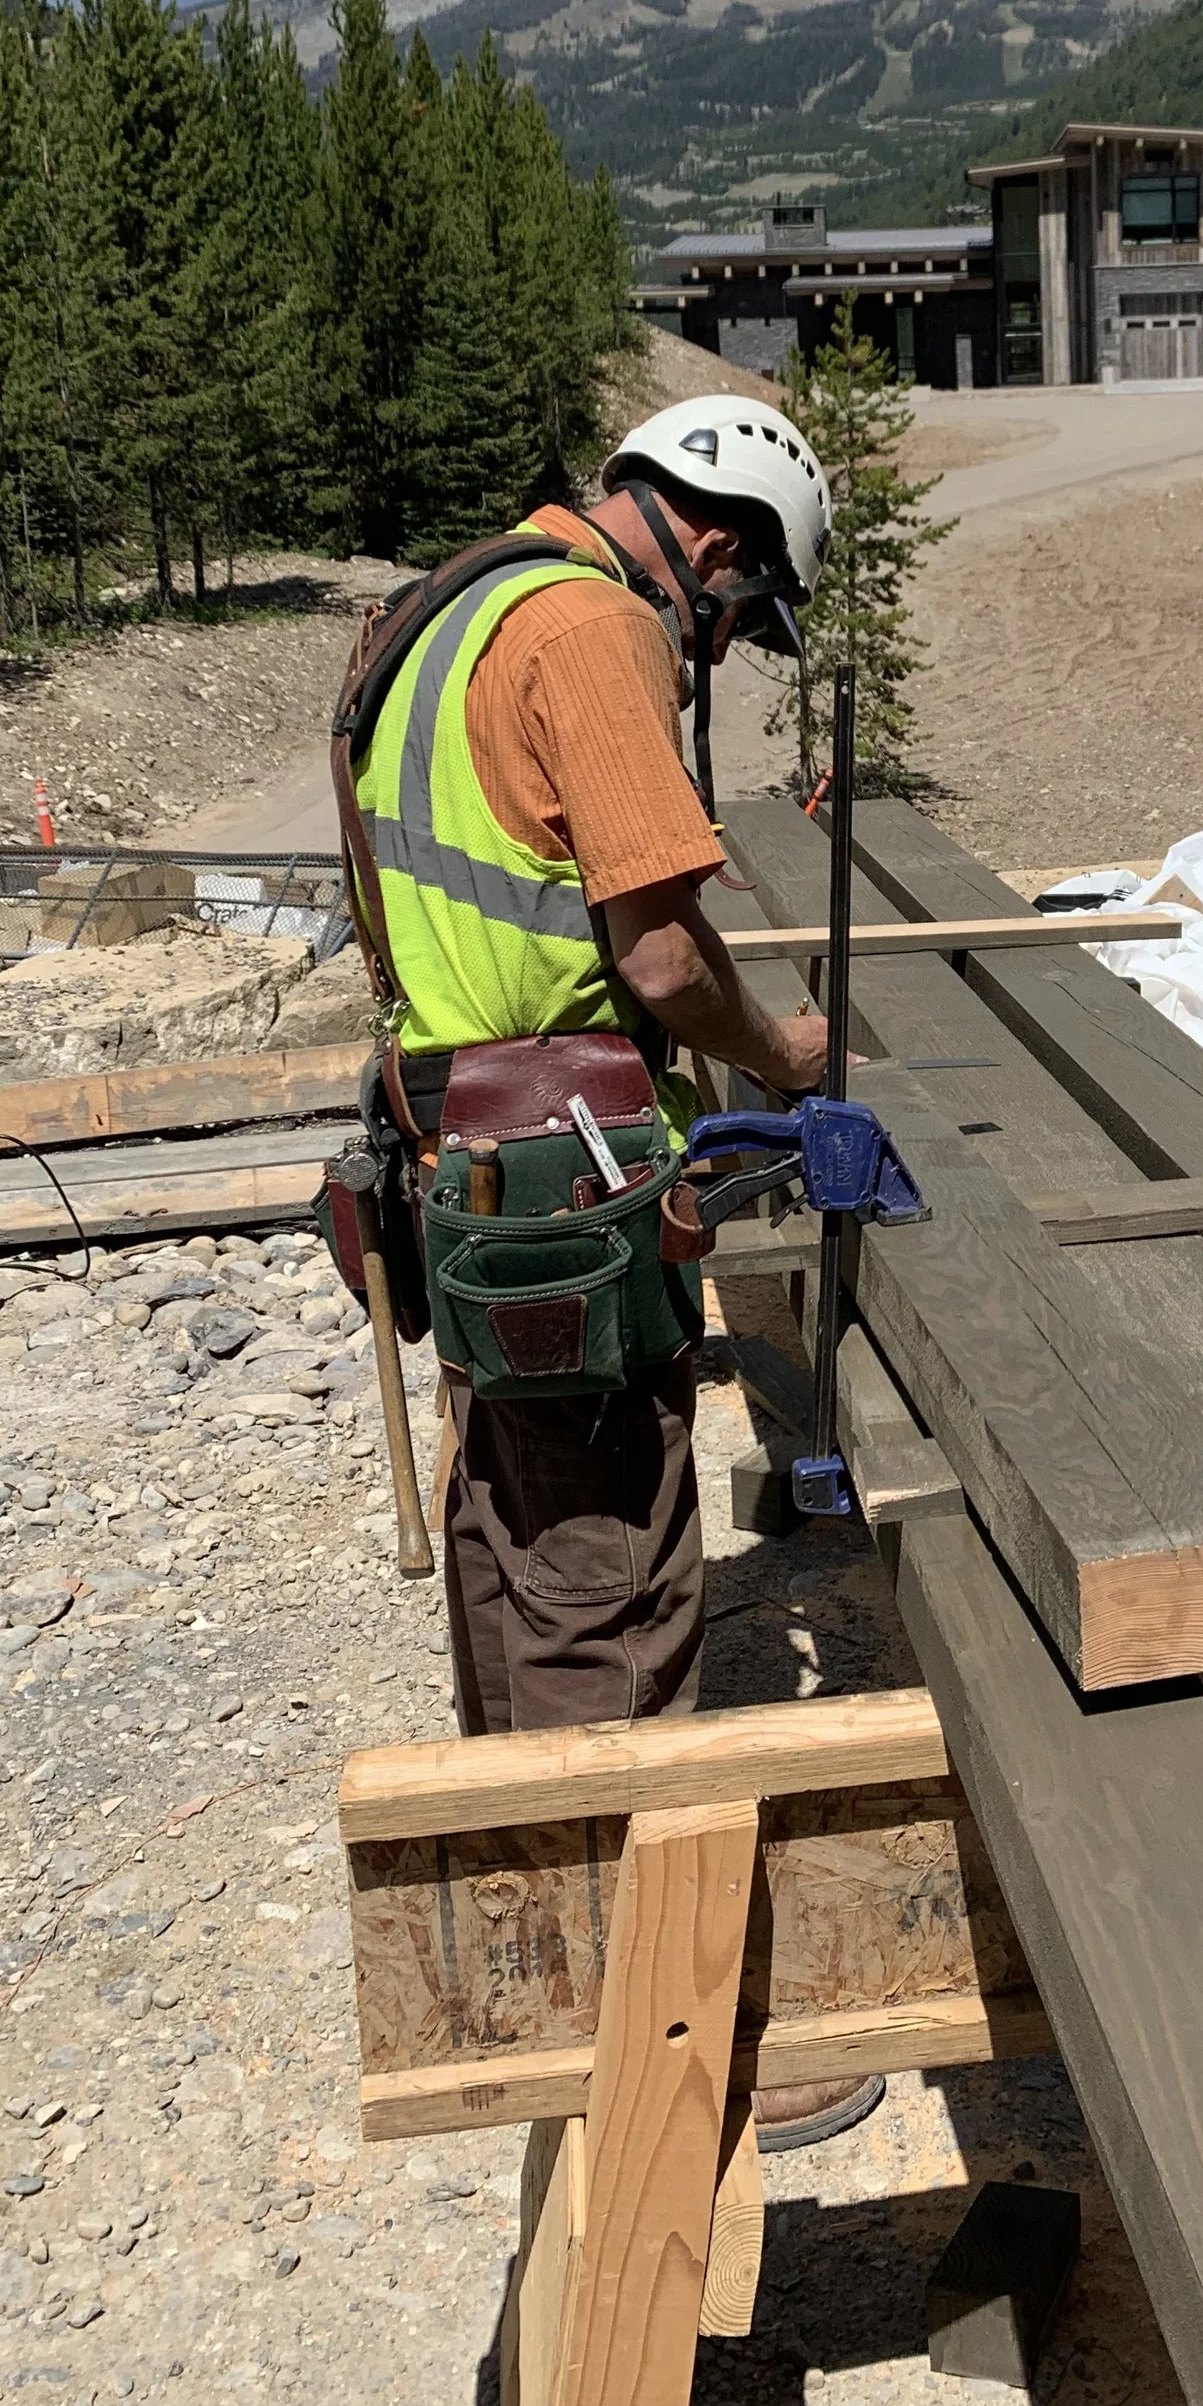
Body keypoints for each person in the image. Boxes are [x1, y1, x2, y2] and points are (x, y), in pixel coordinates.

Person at [337, 397, 877, 2140]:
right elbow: (654, 949)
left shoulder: (441, 615)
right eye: (735, 620)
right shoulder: (591, 630)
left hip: (459, 1143)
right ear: (711, 547)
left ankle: (531, 1933)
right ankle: (642, 2032)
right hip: (564, 1173)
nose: (717, 647)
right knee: (611, 1576)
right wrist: (779, 1060)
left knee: (510, 1536)